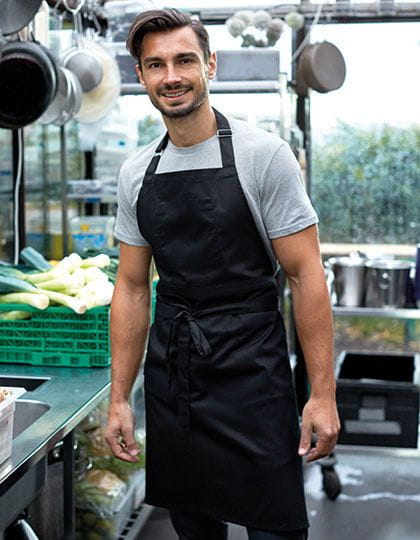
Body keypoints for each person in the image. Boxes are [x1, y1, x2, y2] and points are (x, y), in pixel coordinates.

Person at [105, 8, 340, 540]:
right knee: (193, 525)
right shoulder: (137, 173)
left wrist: (322, 393)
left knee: (275, 527)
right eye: (156, 64)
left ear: (210, 65)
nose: (172, 76)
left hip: (252, 371)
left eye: (185, 60)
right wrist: (121, 397)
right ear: (141, 76)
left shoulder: (264, 156)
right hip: (175, 374)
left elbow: (306, 275)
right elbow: (133, 286)